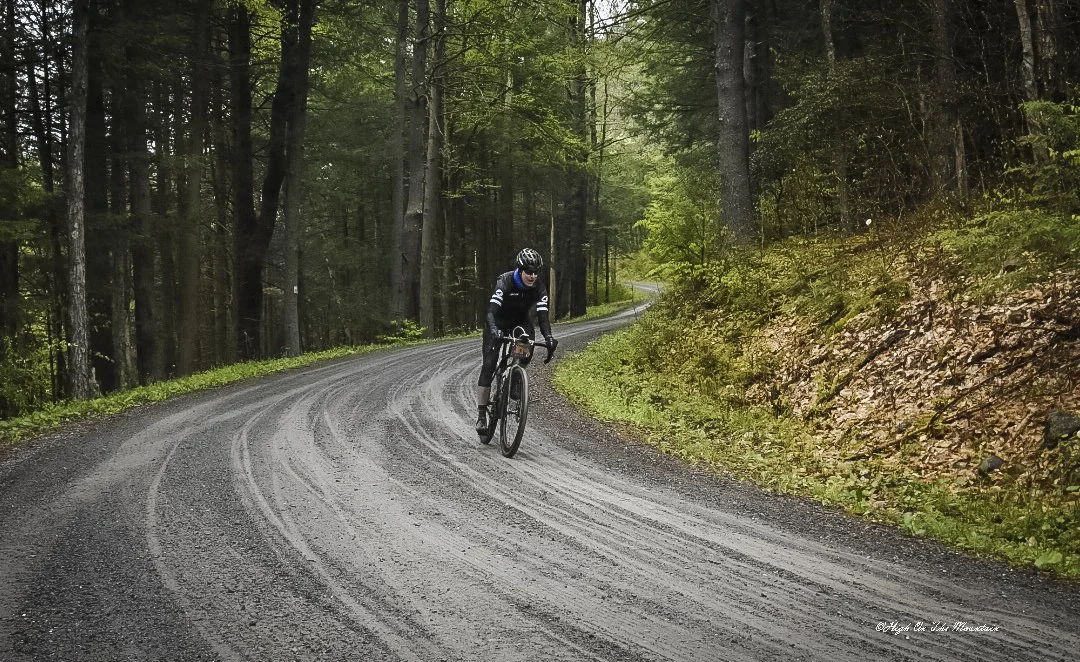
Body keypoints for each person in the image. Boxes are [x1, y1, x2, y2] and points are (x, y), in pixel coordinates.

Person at [475, 248, 558, 434]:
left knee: (528, 346)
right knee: (489, 363)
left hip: (519, 322)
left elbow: (543, 316)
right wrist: (494, 329)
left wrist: (549, 338)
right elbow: (490, 311)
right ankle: (481, 414)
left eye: (536, 272)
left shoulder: (539, 287)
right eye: (529, 271)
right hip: (497, 322)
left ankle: (515, 379)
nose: (533, 276)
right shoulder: (505, 281)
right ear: (520, 269)